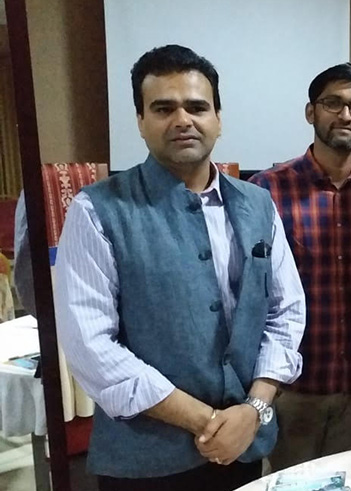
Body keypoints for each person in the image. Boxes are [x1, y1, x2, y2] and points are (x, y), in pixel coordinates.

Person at [54, 44, 306, 491]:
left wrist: (253, 409)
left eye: (197, 107)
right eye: (163, 108)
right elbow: (92, 347)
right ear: (141, 121)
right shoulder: (97, 211)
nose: (183, 120)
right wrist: (210, 422)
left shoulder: (258, 203)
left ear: (218, 119)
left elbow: (285, 312)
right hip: (145, 462)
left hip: (242, 447)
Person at [249, 63, 351, 469]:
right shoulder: (267, 190)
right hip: (293, 389)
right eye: (333, 103)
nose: (345, 115)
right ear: (311, 112)